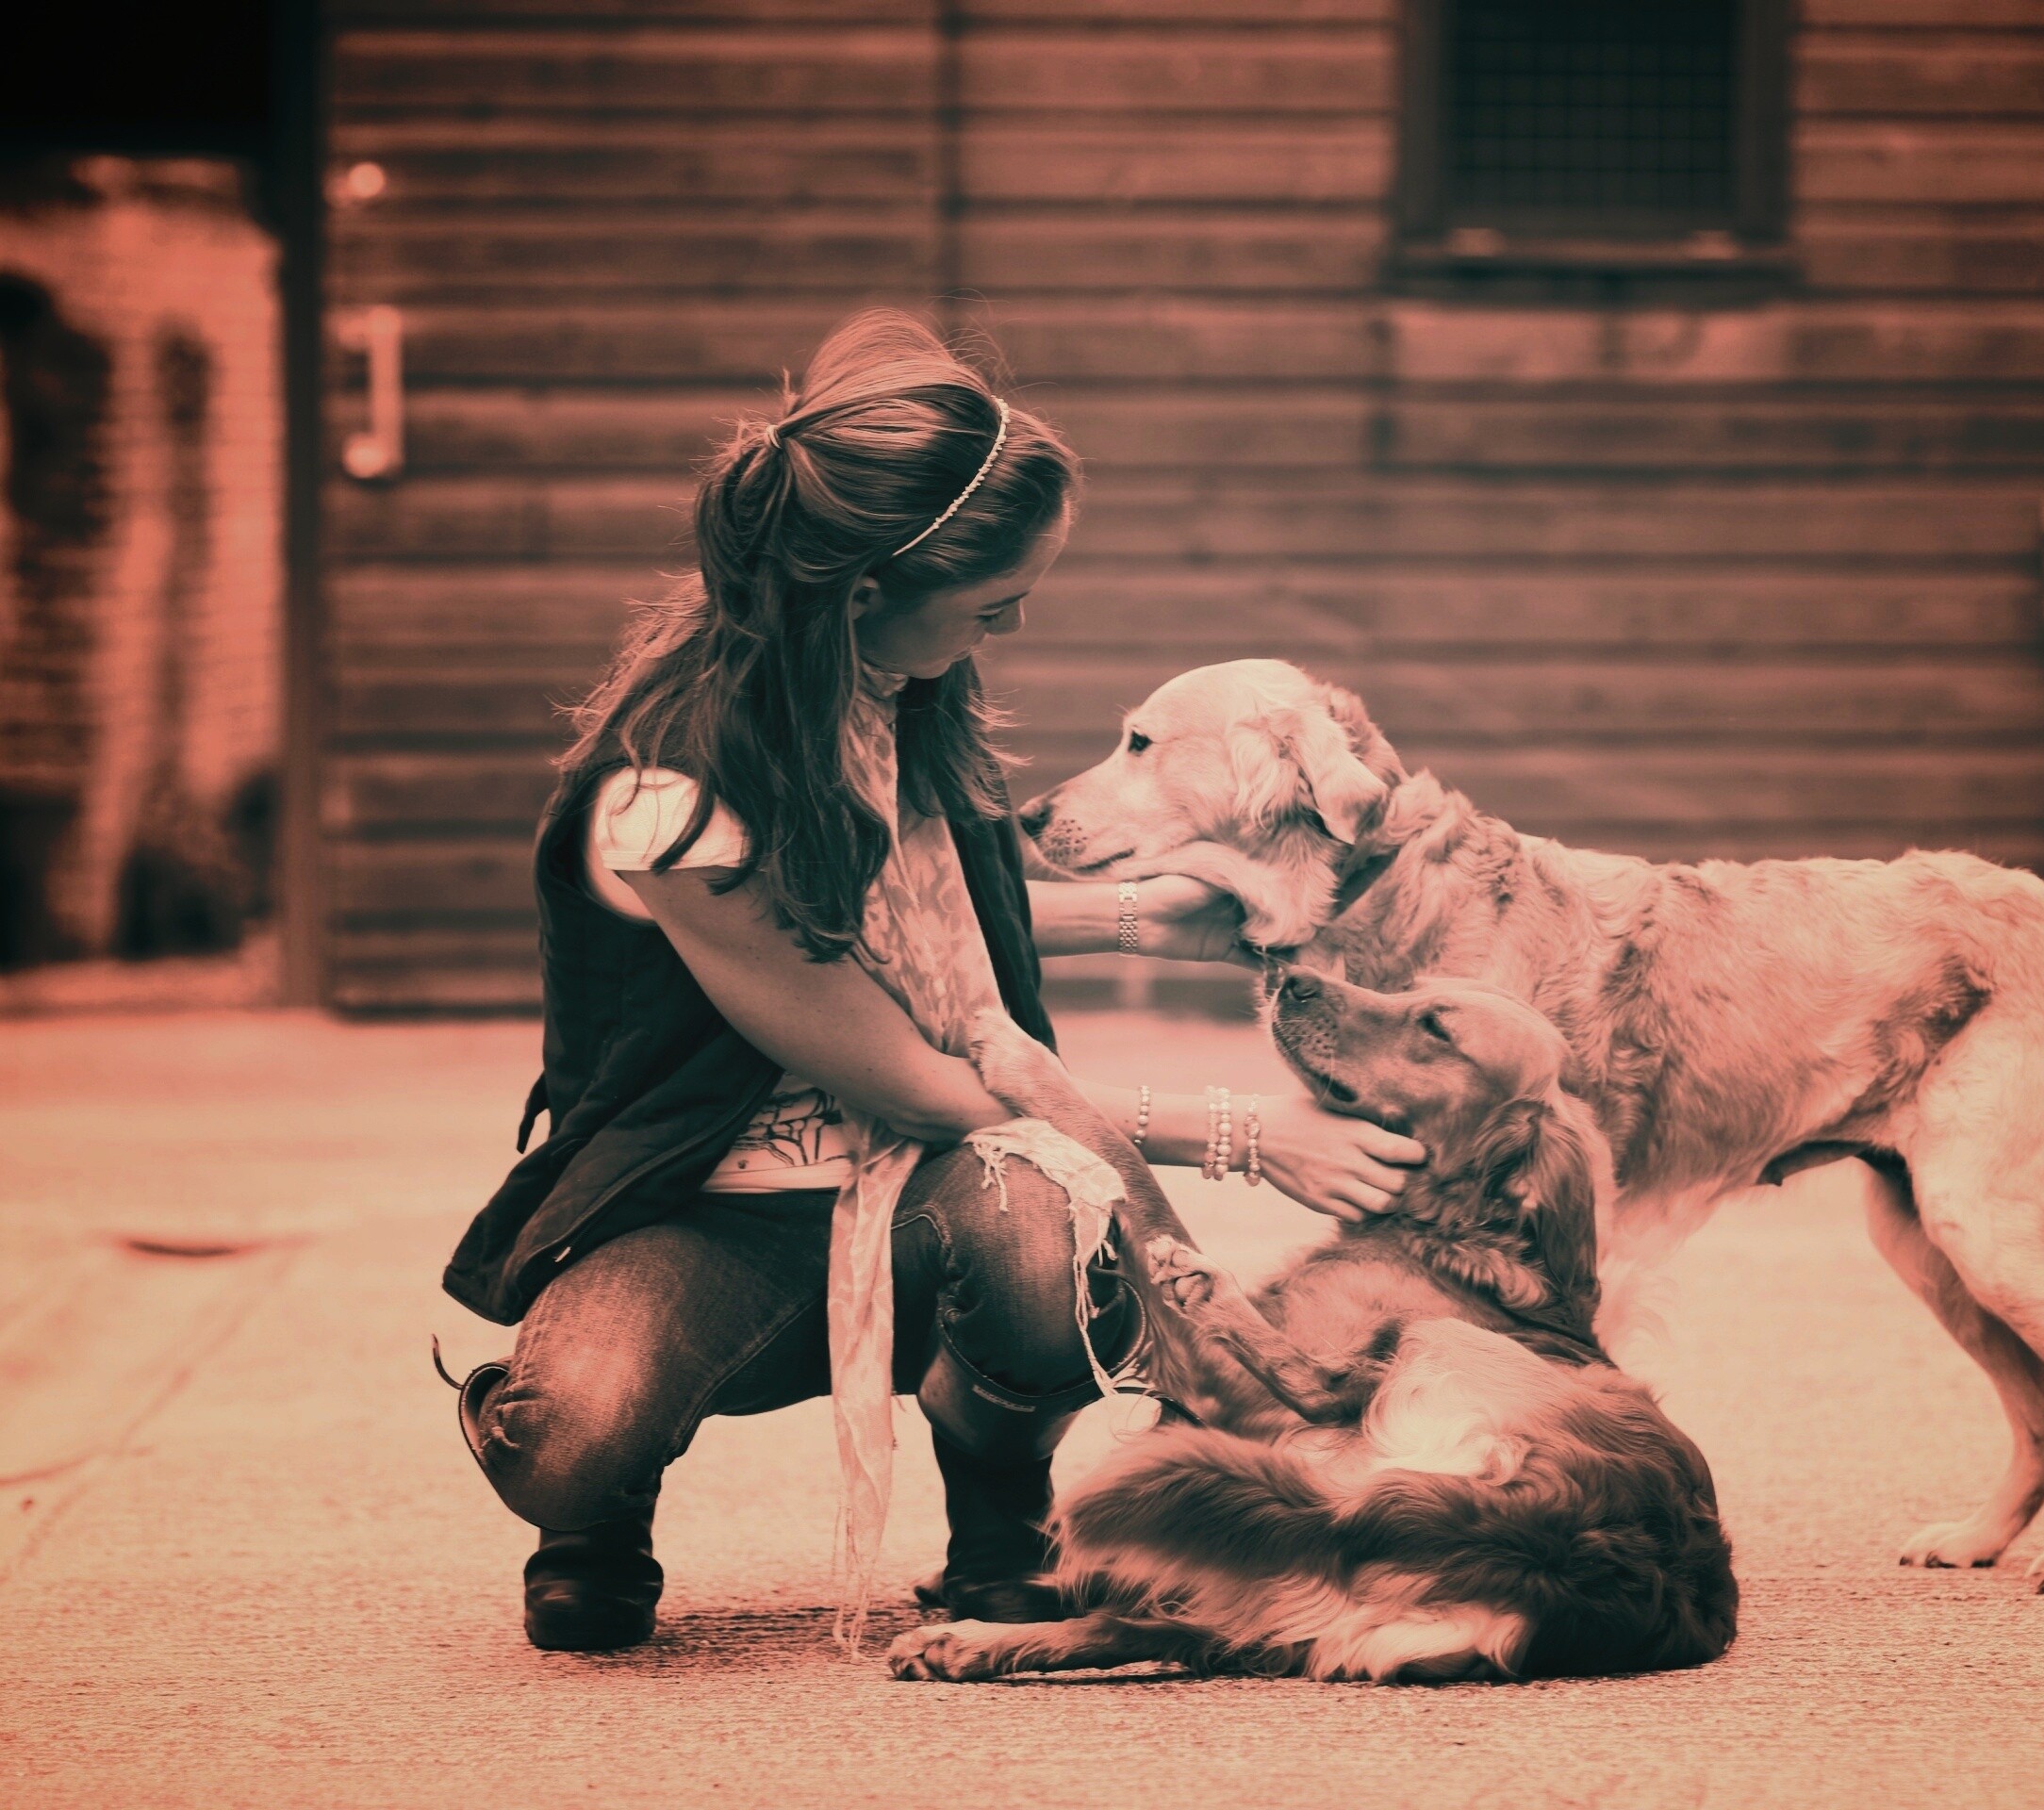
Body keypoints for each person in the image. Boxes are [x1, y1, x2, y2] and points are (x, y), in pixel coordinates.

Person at [438, 311, 1426, 1653]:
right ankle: (595, 1512)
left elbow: (913, 934)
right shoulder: (668, 804)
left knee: (1039, 1241)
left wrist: (1149, 918)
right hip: (701, 1217)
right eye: (992, 602)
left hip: (918, 1198)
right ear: (863, 592)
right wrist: (1236, 1133)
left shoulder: (887, 690)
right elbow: (916, 1073)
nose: (1010, 624)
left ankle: (998, 1512)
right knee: (572, 1429)